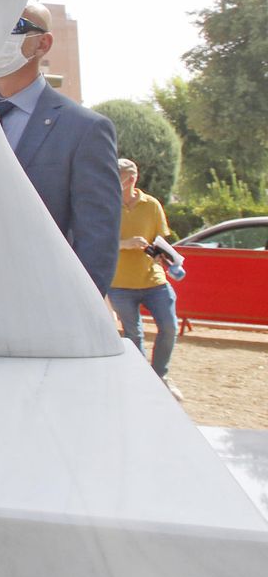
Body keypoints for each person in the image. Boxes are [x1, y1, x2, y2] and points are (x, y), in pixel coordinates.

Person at [0, 3, 121, 295]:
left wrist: (79, 312)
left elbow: (97, 239)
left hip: (39, 300)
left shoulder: (84, 130)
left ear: (43, 43)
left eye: (13, 26)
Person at [108, 158, 182, 398]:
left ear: (132, 178)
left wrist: (165, 256)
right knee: (133, 334)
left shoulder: (152, 205)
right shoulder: (106, 205)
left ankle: (160, 376)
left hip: (154, 280)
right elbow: (99, 242)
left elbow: (161, 238)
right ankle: (140, 382)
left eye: (119, 175)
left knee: (169, 327)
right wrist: (126, 244)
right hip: (120, 283)